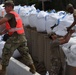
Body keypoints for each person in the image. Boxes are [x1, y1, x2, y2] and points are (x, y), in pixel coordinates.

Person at [0, 1, 36, 75]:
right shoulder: (16, 14)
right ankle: (33, 68)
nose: (5, 9)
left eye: (6, 7)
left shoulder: (10, 14)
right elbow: (11, 28)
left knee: (6, 52)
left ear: (10, 7)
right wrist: (2, 32)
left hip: (15, 38)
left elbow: (3, 21)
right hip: (22, 37)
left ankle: (3, 71)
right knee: (25, 53)